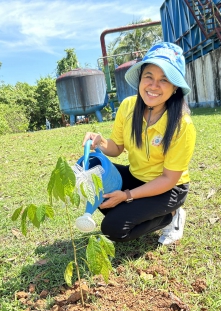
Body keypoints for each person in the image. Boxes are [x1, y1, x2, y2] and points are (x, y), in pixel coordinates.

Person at [82, 42, 196, 245]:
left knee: (113, 229)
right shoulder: (128, 106)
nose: (154, 86)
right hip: (137, 176)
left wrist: (127, 195)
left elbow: (169, 179)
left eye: (164, 80)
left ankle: (171, 216)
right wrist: (100, 142)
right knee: (93, 172)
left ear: (175, 87)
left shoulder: (181, 124)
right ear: (141, 79)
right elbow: (116, 149)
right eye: (149, 77)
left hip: (169, 189)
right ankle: (138, 210)